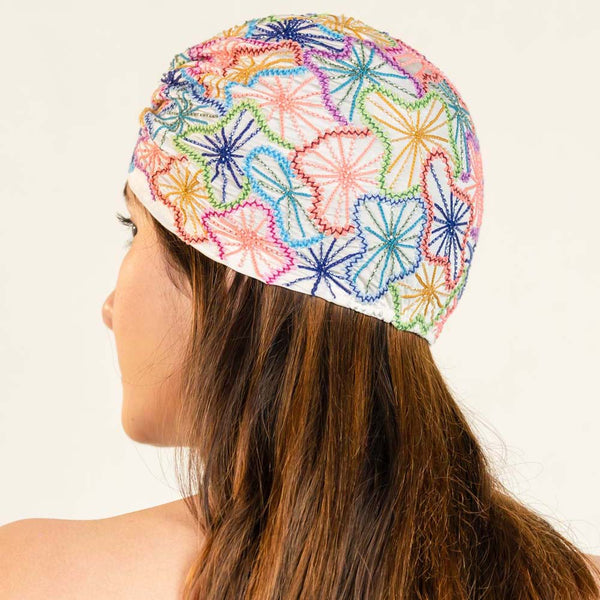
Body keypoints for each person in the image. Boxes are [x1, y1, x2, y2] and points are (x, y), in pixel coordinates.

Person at [1, 11, 599, 600]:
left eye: (135, 229)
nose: (109, 306)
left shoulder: (35, 576)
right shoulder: (576, 584)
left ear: (231, 268)